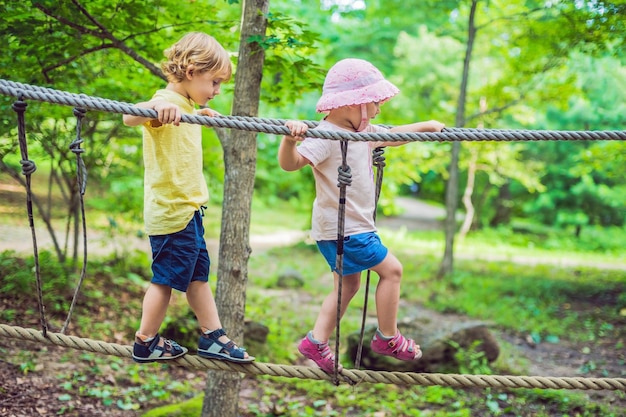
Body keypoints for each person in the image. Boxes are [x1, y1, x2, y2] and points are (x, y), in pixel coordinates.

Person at [278, 58, 444, 373]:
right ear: (351, 104)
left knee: (347, 286)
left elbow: (395, 134)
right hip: (347, 230)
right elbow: (291, 164)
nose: (378, 110)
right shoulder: (326, 134)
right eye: (374, 103)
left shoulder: (363, 133)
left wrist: (426, 126)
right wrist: (289, 140)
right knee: (392, 271)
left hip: (338, 231)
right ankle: (388, 337)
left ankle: (316, 341)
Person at [123, 32, 253, 364]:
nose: (217, 91)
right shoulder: (163, 101)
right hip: (171, 212)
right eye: (214, 82)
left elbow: (183, 120)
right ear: (192, 70)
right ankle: (145, 341)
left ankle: (213, 337)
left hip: (189, 212)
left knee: (197, 277)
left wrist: (201, 116)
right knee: (165, 280)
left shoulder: (188, 107)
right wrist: (156, 106)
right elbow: (129, 116)